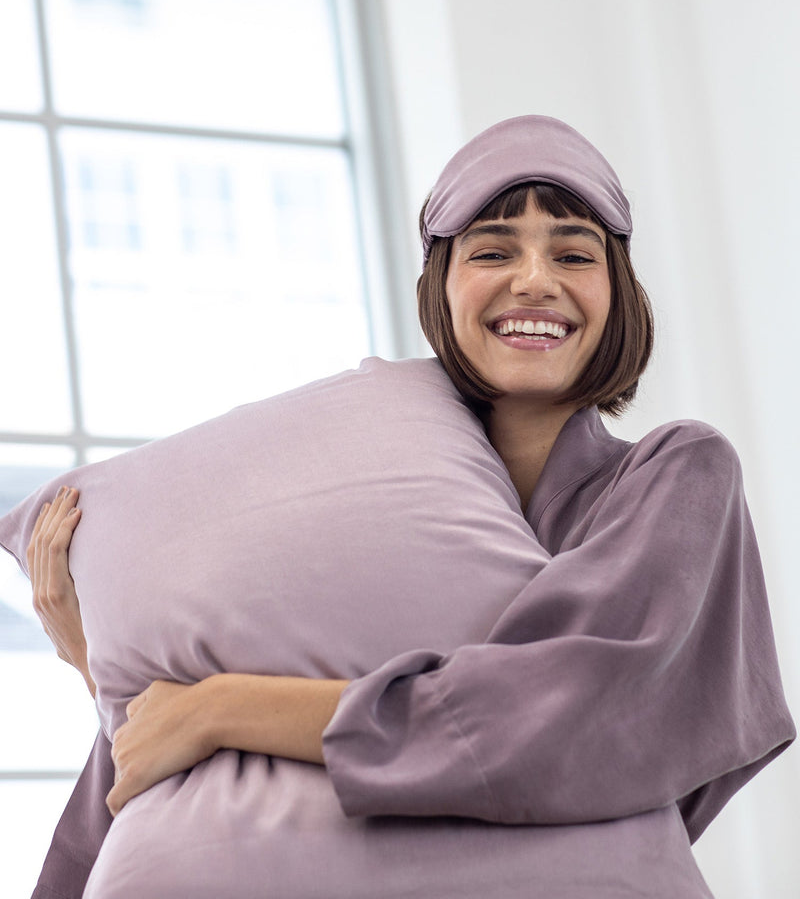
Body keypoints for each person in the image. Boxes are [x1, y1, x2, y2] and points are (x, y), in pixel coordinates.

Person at [28, 116, 794, 897]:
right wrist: (105, 665)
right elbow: (152, 762)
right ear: (441, 285)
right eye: (493, 252)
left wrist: (224, 706)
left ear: (617, 292)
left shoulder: (677, 476)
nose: (534, 280)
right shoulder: (350, 498)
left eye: (573, 254)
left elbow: (582, 717)